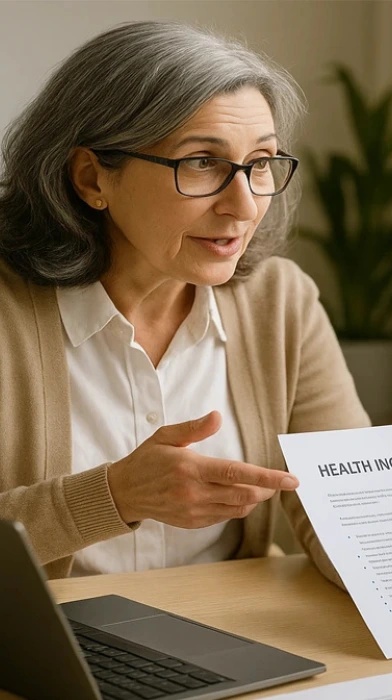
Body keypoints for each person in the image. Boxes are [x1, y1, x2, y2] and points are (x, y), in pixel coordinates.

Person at [0, 21, 369, 584]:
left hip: (225, 636)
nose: (244, 206)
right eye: (201, 162)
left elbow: (353, 512)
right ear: (91, 176)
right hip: (40, 654)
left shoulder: (280, 300)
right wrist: (113, 496)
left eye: (262, 163)